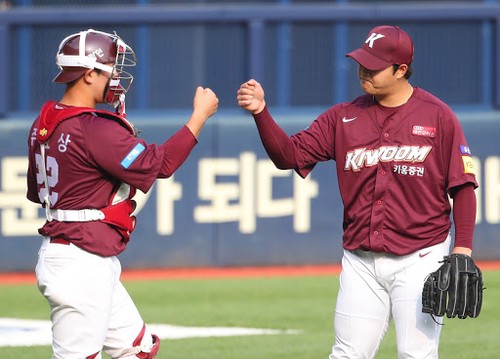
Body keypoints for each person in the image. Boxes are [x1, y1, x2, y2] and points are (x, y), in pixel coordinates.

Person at [237, 25, 478, 358]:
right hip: (360, 260)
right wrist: (261, 113)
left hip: (421, 256)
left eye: (375, 65)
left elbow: (463, 186)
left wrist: (462, 248)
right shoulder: (344, 117)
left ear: (401, 70)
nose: (364, 70)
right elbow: (289, 156)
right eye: (362, 61)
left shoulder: (438, 116)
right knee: (347, 354)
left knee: (416, 353)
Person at [27, 28, 218, 358]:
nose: (116, 77)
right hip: (80, 260)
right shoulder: (93, 126)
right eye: (109, 70)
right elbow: (162, 163)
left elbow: (38, 191)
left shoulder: (45, 121)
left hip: (80, 252)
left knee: (137, 349)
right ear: (88, 74)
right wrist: (199, 116)